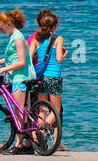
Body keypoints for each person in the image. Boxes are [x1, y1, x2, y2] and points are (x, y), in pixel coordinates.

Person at [29, 9, 68, 151]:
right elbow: (58, 59)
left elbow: (29, 58)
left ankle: (37, 129)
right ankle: (40, 129)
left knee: (43, 109)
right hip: (54, 76)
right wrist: (65, 55)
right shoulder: (58, 39)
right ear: (55, 27)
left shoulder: (35, 39)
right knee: (56, 110)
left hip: (41, 78)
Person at [0, 8, 33, 126]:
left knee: (19, 111)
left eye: (1, 27)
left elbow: (21, 62)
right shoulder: (13, 37)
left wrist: (3, 69)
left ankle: (19, 143)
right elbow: (10, 59)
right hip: (21, 75)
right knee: (24, 110)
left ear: (9, 23)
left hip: (21, 76)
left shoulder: (17, 38)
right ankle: (27, 141)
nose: (0, 30)